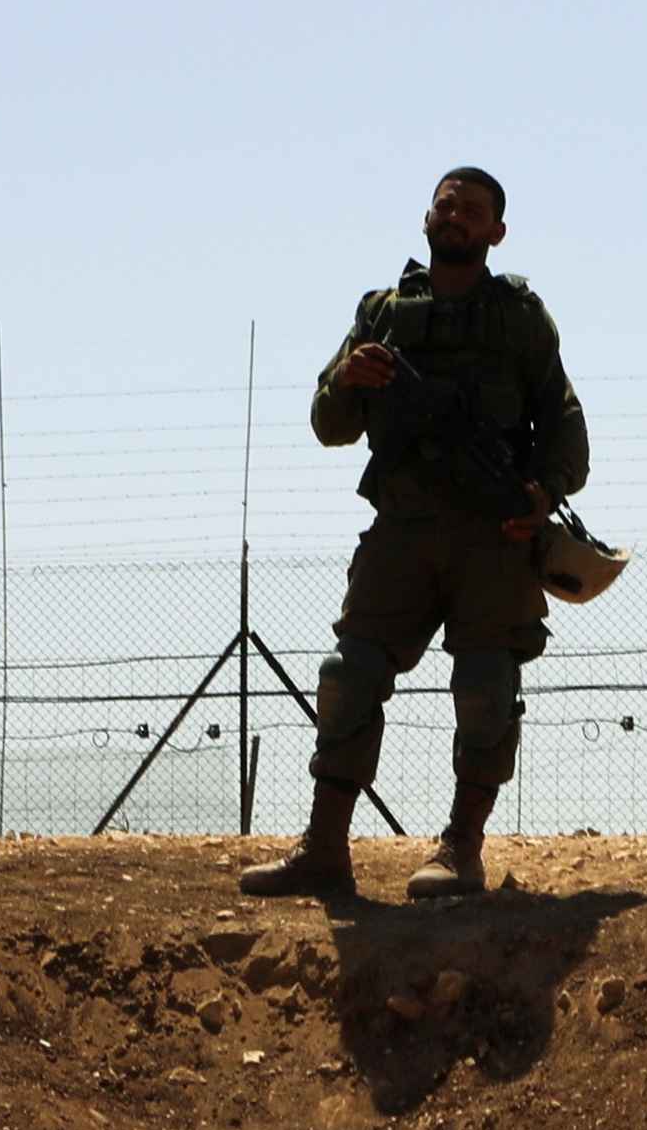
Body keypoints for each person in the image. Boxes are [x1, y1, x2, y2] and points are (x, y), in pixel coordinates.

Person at [242, 165, 590, 903]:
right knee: (350, 675)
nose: (455, 216)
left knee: (486, 688)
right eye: (445, 204)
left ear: (496, 233)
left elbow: (566, 429)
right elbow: (327, 425)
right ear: (427, 218)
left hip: (492, 538)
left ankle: (461, 848)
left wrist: (540, 493)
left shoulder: (520, 318)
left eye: (472, 210)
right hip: (401, 532)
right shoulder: (383, 313)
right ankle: (324, 850)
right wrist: (349, 382)